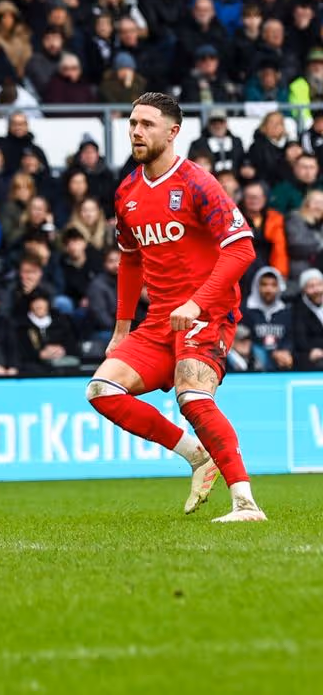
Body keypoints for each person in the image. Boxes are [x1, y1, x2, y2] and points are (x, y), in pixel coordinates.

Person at [86, 92, 264, 523]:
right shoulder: (126, 192)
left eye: (147, 124)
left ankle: (245, 503)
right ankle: (197, 455)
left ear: (173, 132)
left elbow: (242, 249)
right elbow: (130, 260)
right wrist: (121, 329)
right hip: (159, 320)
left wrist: (197, 303)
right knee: (101, 391)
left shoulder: (198, 183)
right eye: (132, 123)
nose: (136, 131)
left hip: (207, 313)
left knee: (192, 396)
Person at [291, 268, 323, 369]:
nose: (317, 290)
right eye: (311, 286)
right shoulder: (297, 309)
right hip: (309, 358)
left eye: (319, 285)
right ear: (303, 289)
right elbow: (301, 341)